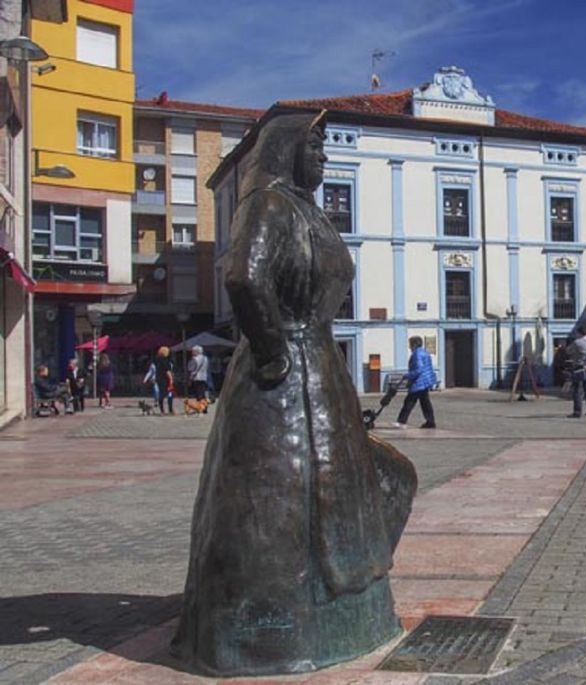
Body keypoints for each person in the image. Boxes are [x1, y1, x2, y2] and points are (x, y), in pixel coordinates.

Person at [171, 111, 417, 677]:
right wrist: (275, 349)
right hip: (284, 381)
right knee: (278, 508)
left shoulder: (307, 211)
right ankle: (267, 635)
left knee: (381, 481)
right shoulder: (270, 205)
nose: (324, 156)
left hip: (320, 372)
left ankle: (346, 614)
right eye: (316, 145)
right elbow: (242, 276)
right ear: (287, 151)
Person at [394, 336, 437, 429]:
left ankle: (401, 422)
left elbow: (418, 369)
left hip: (419, 382)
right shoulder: (425, 353)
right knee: (425, 403)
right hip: (426, 381)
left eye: (410, 344)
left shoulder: (417, 354)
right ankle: (430, 422)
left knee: (409, 401)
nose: (409, 347)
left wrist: (407, 376)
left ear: (414, 344)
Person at [565, 325, 586, 418]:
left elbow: (568, 351)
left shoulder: (577, 342)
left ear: (579, 333)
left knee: (577, 391)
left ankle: (577, 412)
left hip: (579, 368)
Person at [152, 346, 174, 415]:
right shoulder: (165, 361)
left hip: (159, 378)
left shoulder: (156, 360)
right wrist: (171, 379)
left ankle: (162, 410)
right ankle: (170, 410)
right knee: (170, 394)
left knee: (162, 394)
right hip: (165, 379)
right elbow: (167, 371)